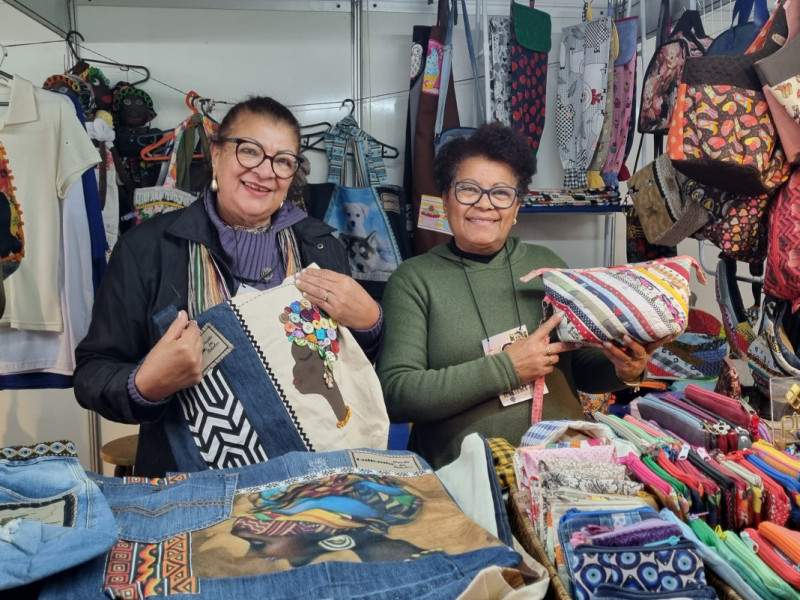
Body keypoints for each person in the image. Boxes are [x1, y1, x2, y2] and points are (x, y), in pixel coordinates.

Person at [74, 96, 382, 477]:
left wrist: (370, 326)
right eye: (249, 151)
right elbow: (92, 374)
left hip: (312, 483)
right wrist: (144, 385)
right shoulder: (147, 250)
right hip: (192, 488)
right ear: (217, 155)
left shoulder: (320, 247)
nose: (265, 171)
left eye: (283, 160)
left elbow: (352, 368)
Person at [377, 122, 674, 469]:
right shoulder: (413, 280)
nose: (485, 204)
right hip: (473, 479)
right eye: (468, 189)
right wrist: (508, 369)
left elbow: (577, 366)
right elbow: (396, 394)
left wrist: (624, 368)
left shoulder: (547, 267)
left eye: (501, 193)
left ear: (516, 207)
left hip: (564, 463)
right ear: (445, 200)